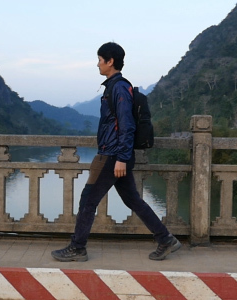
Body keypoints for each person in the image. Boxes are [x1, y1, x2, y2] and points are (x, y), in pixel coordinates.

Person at [51, 42, 181, 262]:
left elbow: (127, 123)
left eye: (100, 60)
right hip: (115, 154)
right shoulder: (114, 86)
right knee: (133, 200)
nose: (98, 64)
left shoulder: (119, 87)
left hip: (112, 156)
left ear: (110, 61)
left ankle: (78, 248)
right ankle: (165, 239)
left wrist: (121, 158)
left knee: (87, 201)